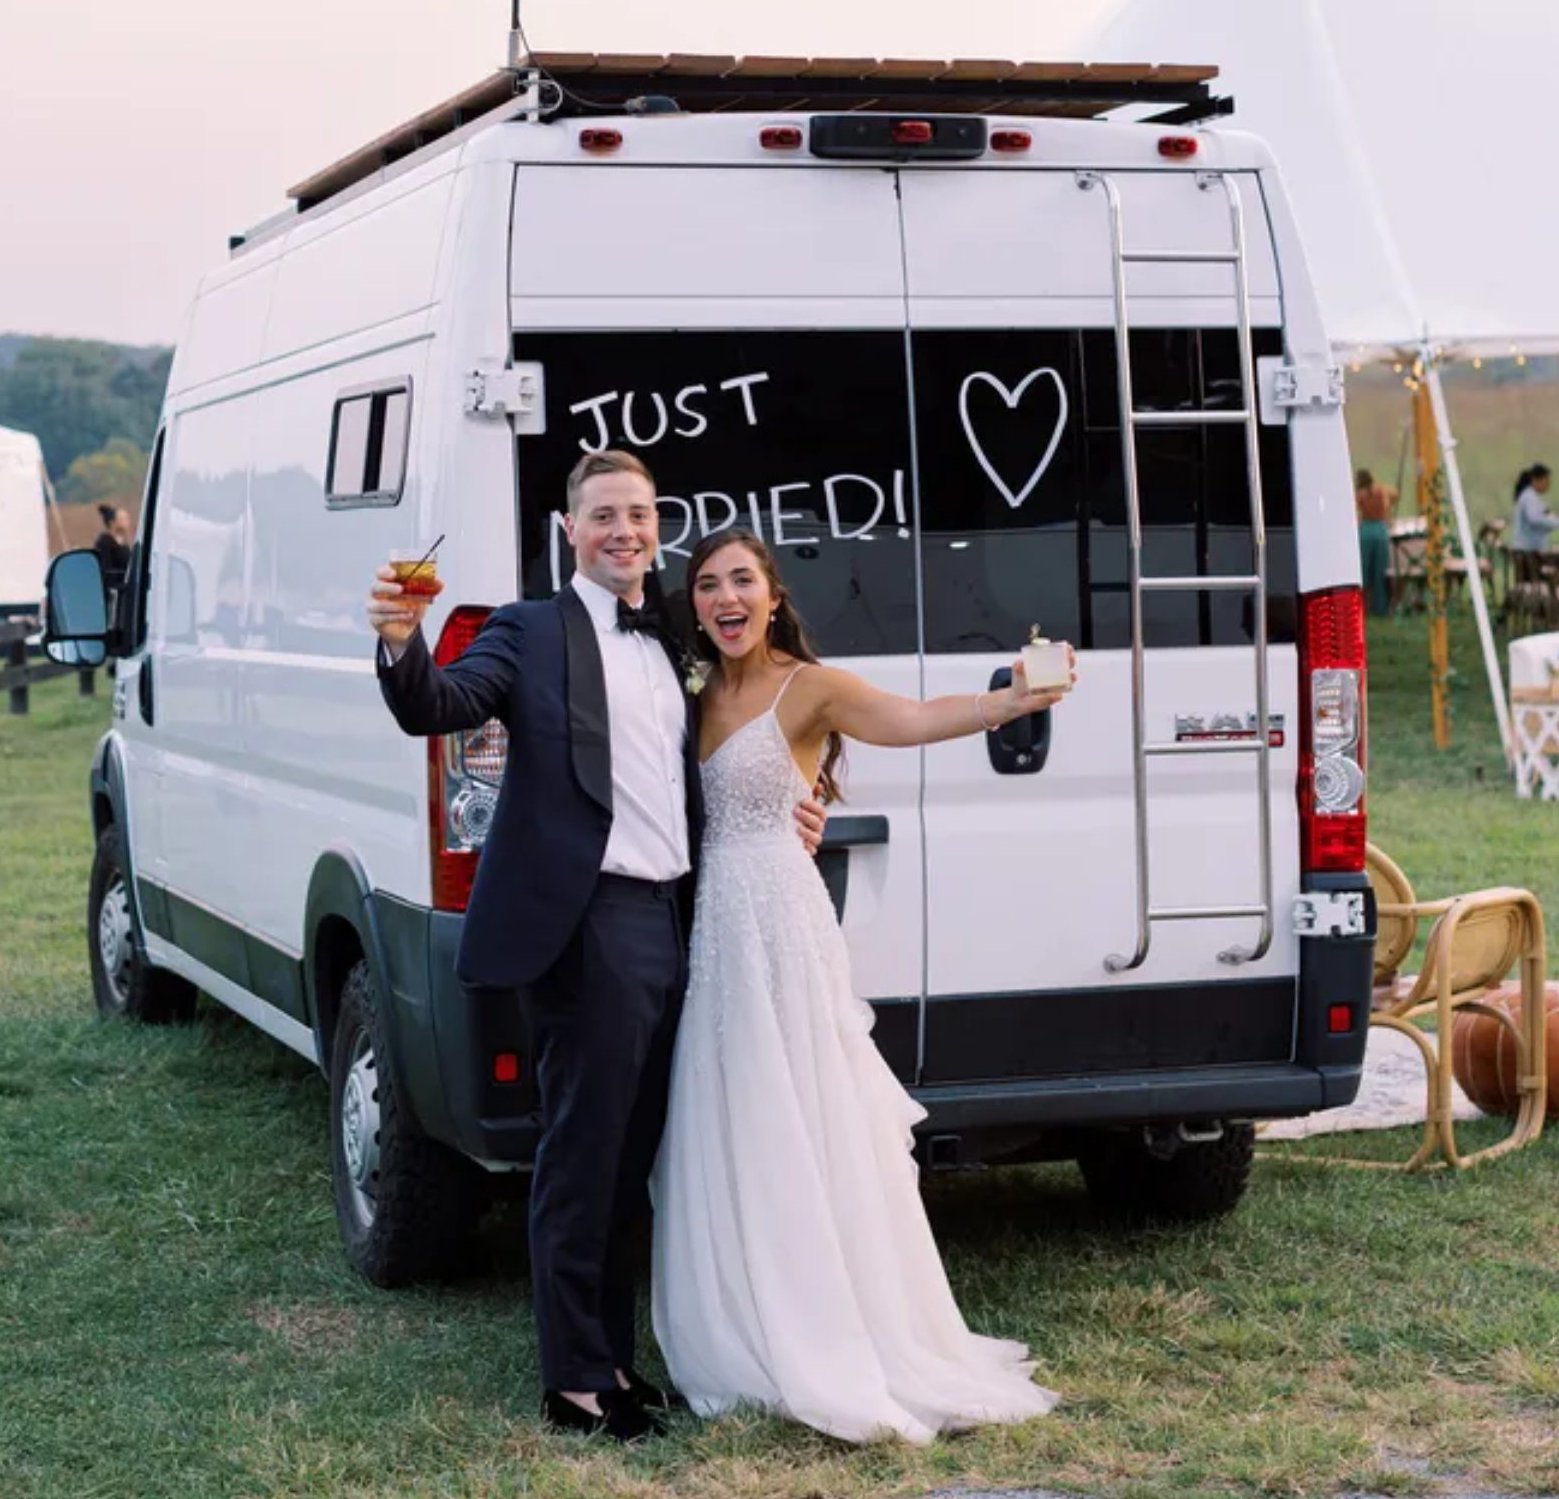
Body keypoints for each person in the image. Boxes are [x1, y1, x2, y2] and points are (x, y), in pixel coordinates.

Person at [365, 450, 828, 1445]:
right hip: (588, 923)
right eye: (605, 515)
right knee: (583, 1151)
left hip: (674, 914)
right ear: (570, 531)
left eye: (641, 513)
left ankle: (613, 1358)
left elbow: (745, 736)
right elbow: (435, 705)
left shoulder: (674, 631)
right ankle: (574, 1380)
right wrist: (402, 637)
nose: (626, 529)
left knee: (633, 1154)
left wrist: (804, 802)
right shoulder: (528, 630)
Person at [650, 526, 1067, 1445]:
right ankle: (746, 1322)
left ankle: (834, 1329)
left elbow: (911, 720)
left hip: (785, 930)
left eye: (742, 581)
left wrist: (1009, 699)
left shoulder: (810, 687)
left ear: (772, 596)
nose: (726, 598)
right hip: (715, 928)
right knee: (735, 1119)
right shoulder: (689, 692)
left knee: (805, 1112)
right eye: (708, 584)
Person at [1354, 468, 1397, 616]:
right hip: (1380, 531)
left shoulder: (1360, 494)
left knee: (1363, 573)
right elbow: (1396, 495)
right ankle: (1380, 608)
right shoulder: (1381, 490)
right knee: (1379, 573)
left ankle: (1362, 609)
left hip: (1366, 531)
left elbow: (1355, 512)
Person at [1512, 464, 1559, 580]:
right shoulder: (1529, 497)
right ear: (1535, 480)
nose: (1548, 485)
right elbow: (1535, 519)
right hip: (1529, 552)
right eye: (1546, 481)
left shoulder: (1530, 497)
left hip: (1529, 550)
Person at [93, 504, 133, 598]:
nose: (128, 522)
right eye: (123, 519)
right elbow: (106, 572)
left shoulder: (123, 544)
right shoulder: (105, 543)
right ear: (113, 523)